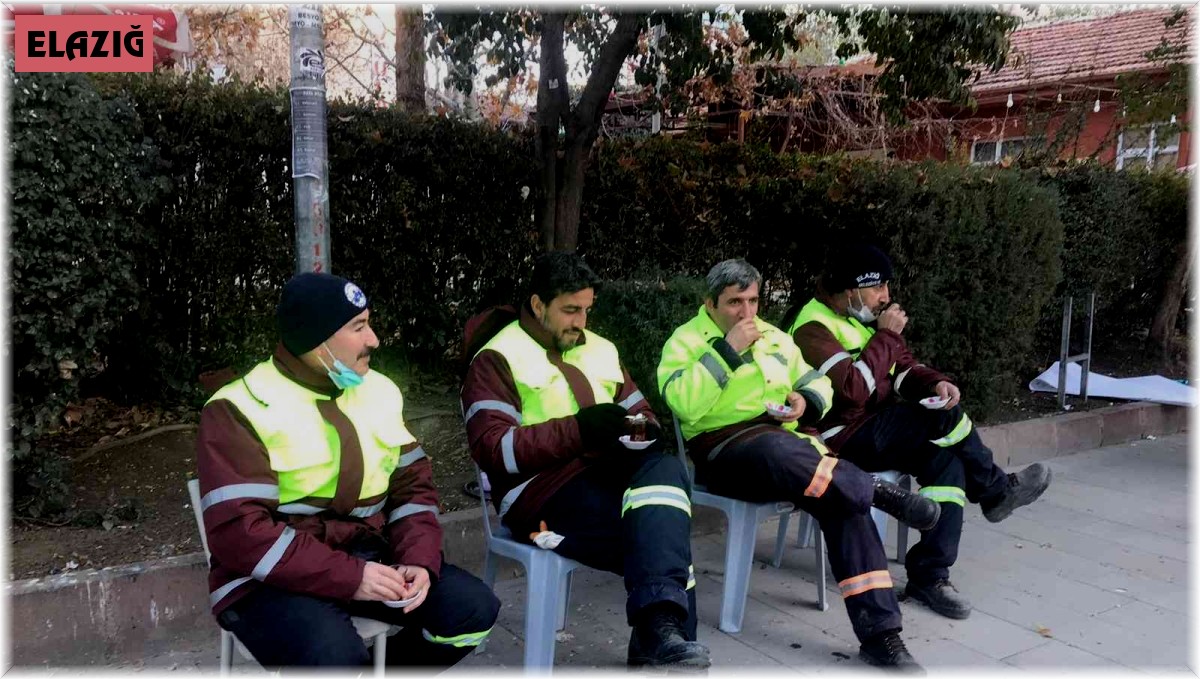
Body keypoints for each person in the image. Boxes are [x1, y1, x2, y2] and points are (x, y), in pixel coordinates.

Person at [196, 272, 499, 669]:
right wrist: (352, 577)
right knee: (334, 657)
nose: (373, 339)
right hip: (263, 579)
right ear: (313, 338)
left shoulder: (379, 391)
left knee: (473, 612)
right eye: (358, 327)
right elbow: (240, 535)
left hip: (367, 554)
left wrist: (419, 559)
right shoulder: (238, 408)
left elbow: (413, 489)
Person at [658, 258, 939, 672]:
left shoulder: (773, 335)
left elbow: (814, 380)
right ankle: (875, 489)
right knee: (785, 455)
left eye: (753, 301)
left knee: (843, 502)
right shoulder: (684, 341)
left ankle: (882, 635)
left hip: (792, 448)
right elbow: (682, 403)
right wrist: (728, 350)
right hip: (724, 450)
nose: (747, 313)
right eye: (736, 302)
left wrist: (804, 401)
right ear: (710, 302)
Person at [461, 251, 710, 670]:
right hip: (538, 492)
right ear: (538, 304)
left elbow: (642, 410)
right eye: (570, 310)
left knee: (666, 476)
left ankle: (660, 637)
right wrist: (579, 429)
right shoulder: (495, 358)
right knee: (661, 529)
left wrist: (642, 430)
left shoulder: (601, 349)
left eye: (586, 310)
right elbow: (493, 449)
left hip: (606, 471)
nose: (580, 322)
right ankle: (662, 639)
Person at [784, 243, 1052, 620]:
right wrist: (886, 337)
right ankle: (994, 490)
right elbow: (851, 391)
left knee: (945, 462)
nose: (886, 297)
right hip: (838, 437)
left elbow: (903, 369)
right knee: (938, 419)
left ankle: (930, 576)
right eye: (878, 288)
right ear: (851, 290)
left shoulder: (859, 320)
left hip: (876, 427)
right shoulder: (812, 327)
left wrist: (935, 384)